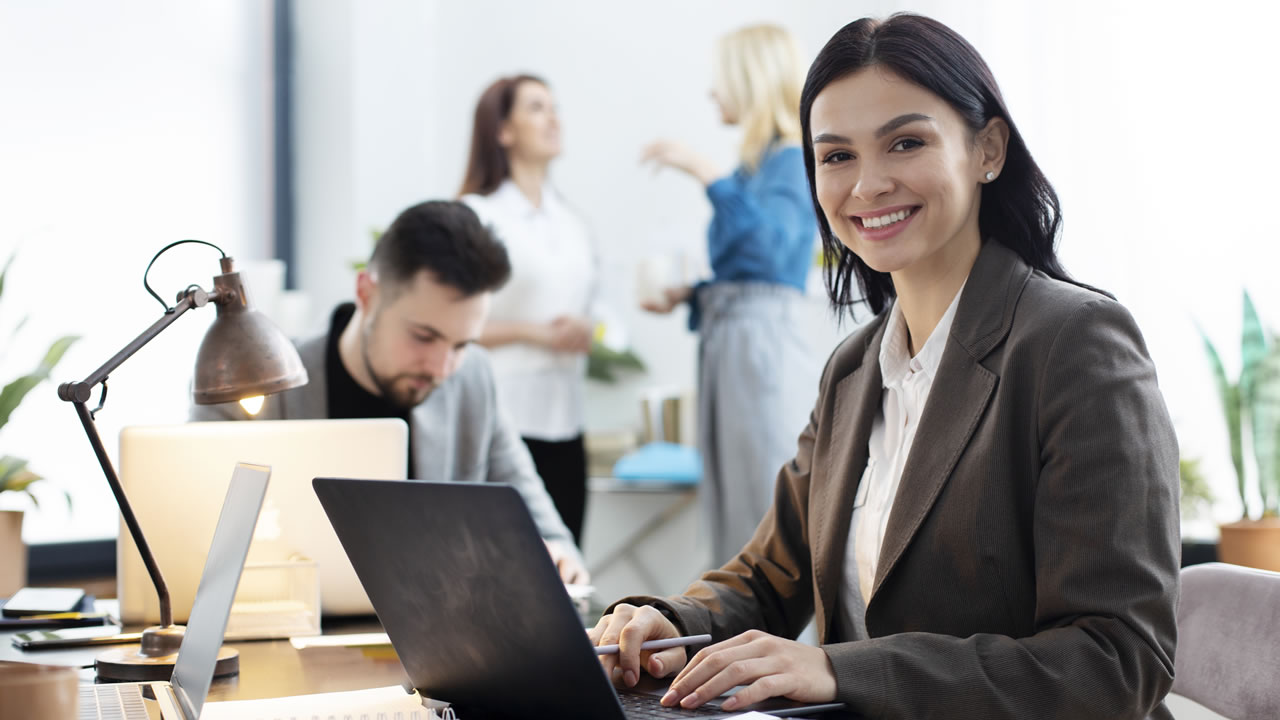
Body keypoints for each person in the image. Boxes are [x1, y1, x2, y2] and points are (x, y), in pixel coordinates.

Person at [589, 13, 1179, 718]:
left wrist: (844, 671)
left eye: (905, 143)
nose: (867, 186)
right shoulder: (853, 368)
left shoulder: (1076, 343)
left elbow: (1118, 659)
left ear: (988, 149)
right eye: (836, 156)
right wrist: (672, 625)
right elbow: (772, 574)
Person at [191, 200, 588, 583]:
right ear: (366, 292)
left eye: (461, 344)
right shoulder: (253, 382)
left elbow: (548, 530)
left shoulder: (473, 381)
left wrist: (554, 556)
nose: (442, 368)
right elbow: (195, 542)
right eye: (423, 336)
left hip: (439, 645)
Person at [640, 24, 820, 567]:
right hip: (733, 341)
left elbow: (769, 254)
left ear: (749, 80)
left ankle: (775, 648)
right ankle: (734, 641)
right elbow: (751, 270)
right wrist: (691, 294)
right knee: (731, 505)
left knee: (759, 505)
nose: (713, 92)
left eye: (720, 79)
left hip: (757, 347)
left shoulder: (791, 158)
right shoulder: (756, 167)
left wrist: (704, 173)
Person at [459, 74, 596, 547]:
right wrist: (534, 333)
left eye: (554, 106)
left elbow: (590, 307)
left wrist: (587, 329)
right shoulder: (478, 215)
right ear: (503, 130)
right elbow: (452, 325)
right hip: (507, 419)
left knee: (567, 573)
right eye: (537, 108)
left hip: (568, 422)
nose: (553, 117)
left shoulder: (571, 220)